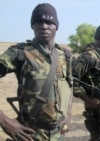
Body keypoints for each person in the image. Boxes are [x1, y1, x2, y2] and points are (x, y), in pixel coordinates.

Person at [0, 3, 73, 141]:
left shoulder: (65, 55)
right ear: (32, 25)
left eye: (49, 22)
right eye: (39, 22)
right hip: (31, 134)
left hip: (58, 134)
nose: (44, 26)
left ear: (56, 26)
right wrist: (4, 121)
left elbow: (70, 85)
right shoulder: (19, 53)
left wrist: (68, 116)